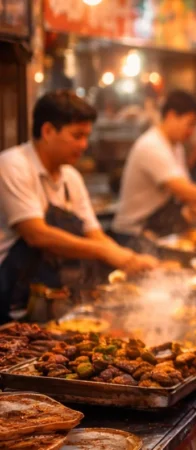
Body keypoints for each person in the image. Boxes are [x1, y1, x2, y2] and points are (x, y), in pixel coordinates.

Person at [0, 91, 158, 323]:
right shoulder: (12, 165)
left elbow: (93, 233)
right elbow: (36, 234)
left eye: (86, 136)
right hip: (10, 295)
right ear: (47, 131)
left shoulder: (70, 177)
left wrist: (131, 259)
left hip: (50, 296)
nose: (84, 145)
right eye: (77, 136)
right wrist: (108, 253)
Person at [112, 90, 196, 243]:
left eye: (195, 125)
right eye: (190, 124)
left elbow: (184, 195)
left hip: (155, 229)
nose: (192, 131)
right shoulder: (151, 145)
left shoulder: (176, 147)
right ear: (171, 116)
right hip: (133, 234)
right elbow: (182, 189)